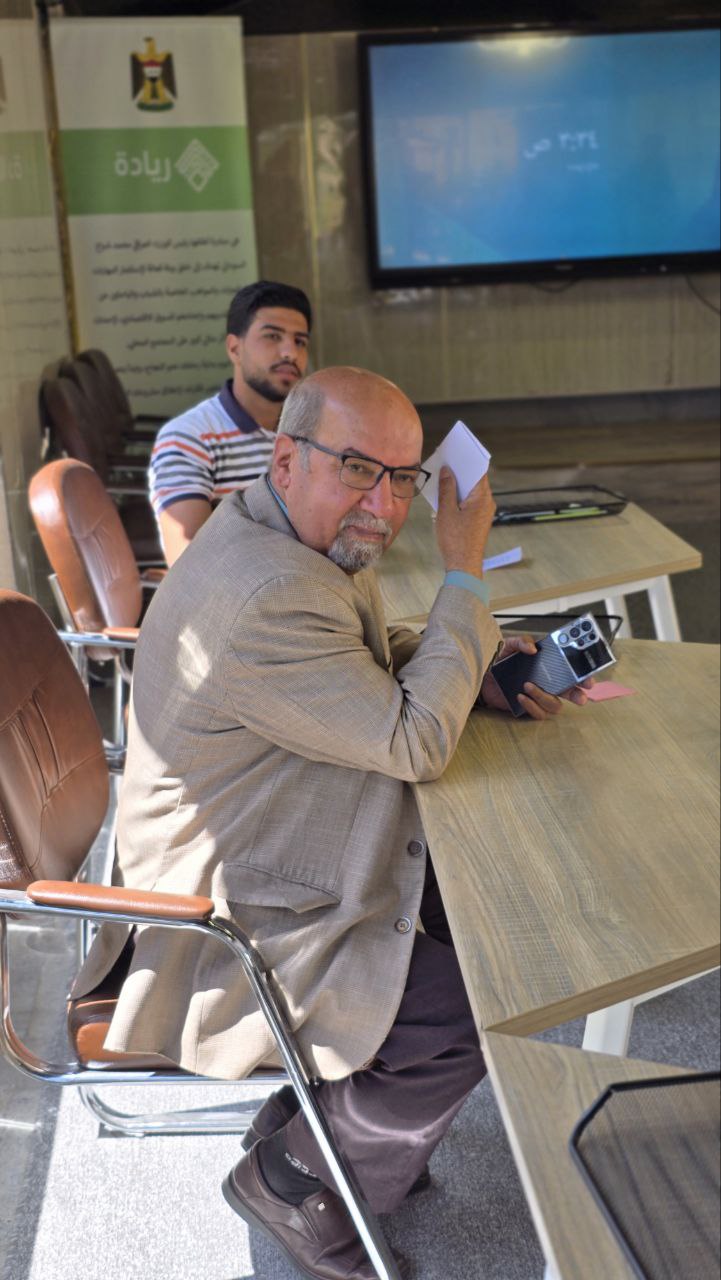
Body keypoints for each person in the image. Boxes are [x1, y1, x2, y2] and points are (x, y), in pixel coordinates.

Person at [77, 367, 591, 1280]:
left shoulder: (278, 532)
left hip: (269, 835)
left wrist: (468, 668)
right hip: (225, 908)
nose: (384, 507)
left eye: (402, 479)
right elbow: (412, 741)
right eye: (358, 469)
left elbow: (358, 656)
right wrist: (463, 573)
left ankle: (322, 1121)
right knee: (469, 1006)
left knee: (473, 911)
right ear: (285, 459)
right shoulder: (268, 590)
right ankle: (295, 1182)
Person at [149, 278, 312, 564]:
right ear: (234, 349)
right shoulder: (188, 438)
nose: (290, 352)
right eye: (273, 336)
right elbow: (192, 566)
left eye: (300, 341)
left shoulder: (313, 431)